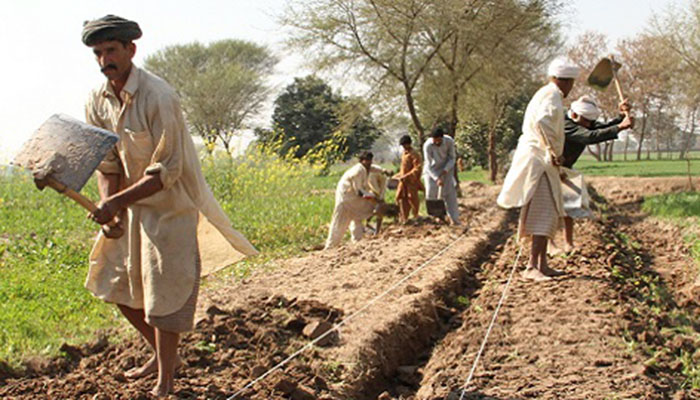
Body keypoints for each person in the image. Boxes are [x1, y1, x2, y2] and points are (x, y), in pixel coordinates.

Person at [73, 15, 258, 397]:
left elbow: (165, 172)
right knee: (113, 285)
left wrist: (116, 202)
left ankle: (165, 383)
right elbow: (107, 162)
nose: (104, 58)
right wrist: (111, 205)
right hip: (129, 207)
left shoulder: (159, 96)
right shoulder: (96, 100)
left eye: (111, 50)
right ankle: (162, 355)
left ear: (130, 50)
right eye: (98, 52)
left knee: (164, 296)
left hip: (171, 206)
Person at [497, 57, 580, 281]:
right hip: (540, 161)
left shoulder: (547, 93)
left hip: (543, 161)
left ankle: (542, 264)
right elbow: (543, 122)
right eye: (571, 83)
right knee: (542, 213)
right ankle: (533, 266)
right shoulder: (552, 95)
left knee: (549, 211)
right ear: (565, 81)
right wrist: (554, 151)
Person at [558, 95, 634, 251]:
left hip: (566, 169)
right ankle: (550, 244)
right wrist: (620, 127)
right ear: (574, 115)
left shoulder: (584, 123)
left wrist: (621, 116)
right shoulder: (566, 125)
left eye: (590, 122)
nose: (588, 125)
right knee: (550, 208)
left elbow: (600, 129)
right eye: (586, 121)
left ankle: (568, 243)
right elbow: (590, 136)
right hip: (551, 168)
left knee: (569, 207)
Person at [325, 151, 391, 249]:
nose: (369, 163)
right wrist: (373, 198)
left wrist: (384, 171)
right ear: (361, 161)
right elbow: (359, 192)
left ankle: (357, 242)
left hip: (353, 200)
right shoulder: (358, 171)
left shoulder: (366, 168)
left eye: (370, 161)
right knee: (339, 223)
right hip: (346, 198)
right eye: (367, 161)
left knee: (357, 218)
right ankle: (330, 247)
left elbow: (374, 169)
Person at [423, 127, 460, 225]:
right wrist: (436, 178)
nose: (437, 143)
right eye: (435, 140)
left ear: (442, 138)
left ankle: (455, 220)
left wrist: (445, 171)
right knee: (431, 193)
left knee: (449, 194)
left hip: (447, 168)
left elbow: (452, 158)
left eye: (439, 140)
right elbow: (428, 164)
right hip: (432, 170)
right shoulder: (427, 145)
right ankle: (437, 217)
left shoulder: (449, 141)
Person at [394, 135, 423, 223]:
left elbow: (417, 168)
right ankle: (404, 218)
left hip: (411, 182)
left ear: (409, 144)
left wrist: (407, 176)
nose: (403, 147)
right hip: (403, 182)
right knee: (401, 198)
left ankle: (416, 216)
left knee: (412, 198)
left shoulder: (414, 154)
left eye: (405, 145)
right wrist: (398, 175)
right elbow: (403, 168)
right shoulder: (404, 154)